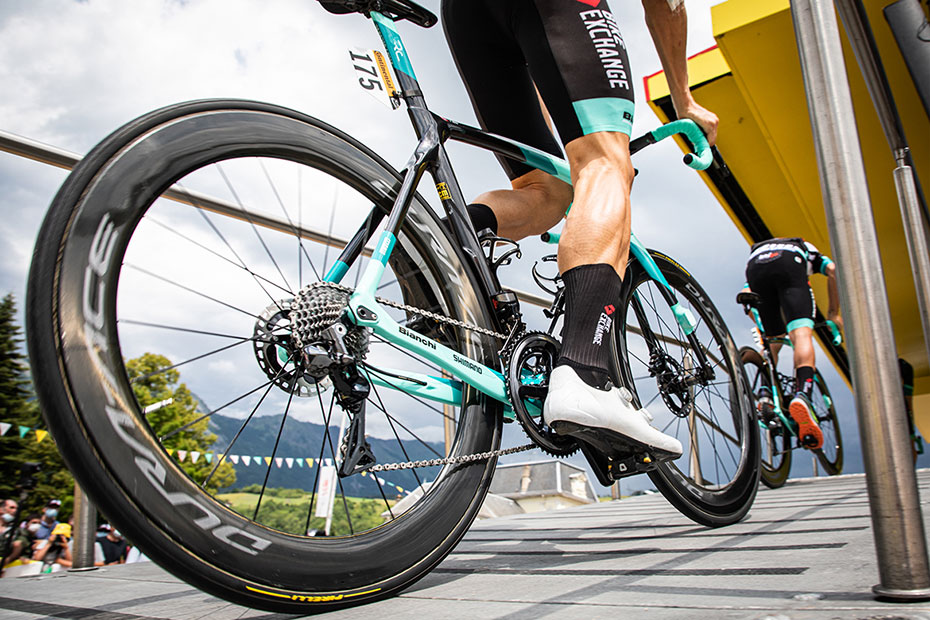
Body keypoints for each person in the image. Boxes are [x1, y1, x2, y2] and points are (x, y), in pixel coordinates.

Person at [439, 0, 717, 458]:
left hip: (468, 16)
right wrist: (684, 99)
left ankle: (431, 258)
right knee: (605, 162)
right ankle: (586, 374)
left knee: (543, 189)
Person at [743, 237, 842, 449]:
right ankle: (803, 396)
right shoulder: (803, 245)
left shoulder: (761, 250)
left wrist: (764, 329)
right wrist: (834, 313)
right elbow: (833, 269)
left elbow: (747, 294)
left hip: (754, 267)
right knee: (801, 335)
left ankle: (765, 394)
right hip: (790, 263)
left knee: (772, 342)